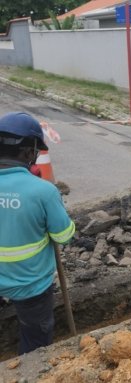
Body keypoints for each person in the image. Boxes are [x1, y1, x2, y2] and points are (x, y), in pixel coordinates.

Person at [0, 112, 75, 354]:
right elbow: (64, 236)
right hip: (31, 285)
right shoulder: (43, 192)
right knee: (36, 346)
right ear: (29, 152)